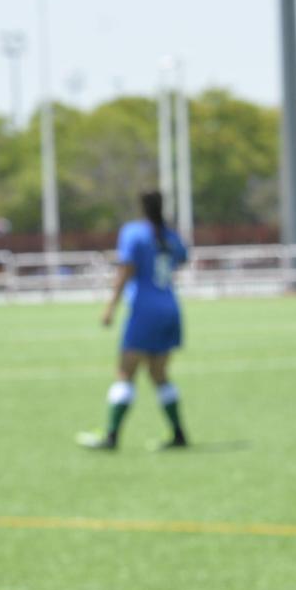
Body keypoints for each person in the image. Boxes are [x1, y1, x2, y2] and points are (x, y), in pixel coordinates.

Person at [78, 189, 190, 450]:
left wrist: (110, 307)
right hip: (170, 307)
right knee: (159, 374)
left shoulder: (134, 232)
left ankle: (111, 436)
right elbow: (182, 259)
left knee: (125, 373)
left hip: (144, 310)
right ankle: (179, 434)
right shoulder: (171, 235)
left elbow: (126, 270)